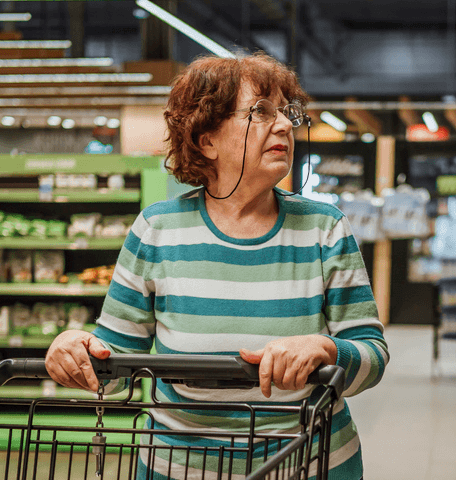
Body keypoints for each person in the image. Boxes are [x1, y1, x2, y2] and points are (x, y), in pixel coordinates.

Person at [45, 53, 389, 480]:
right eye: (260, 112)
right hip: (179, 467)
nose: (284, 124)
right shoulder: (157, 230)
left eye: (286, 112)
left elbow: (372, 354)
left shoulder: (325, 228)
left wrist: (327, 349)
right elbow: (115, 370)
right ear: (207, 139)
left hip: (308, 462)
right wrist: (75, 350)